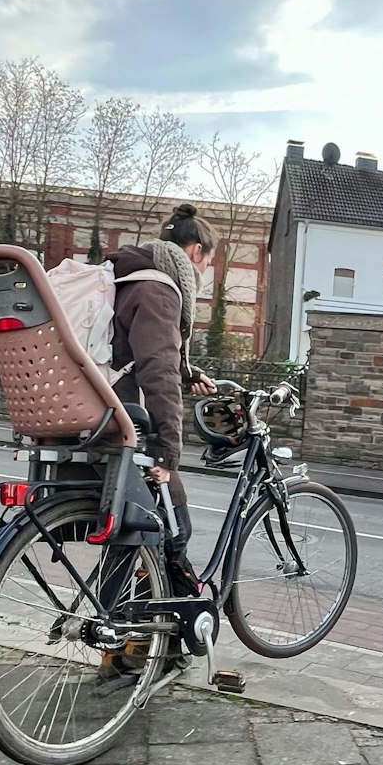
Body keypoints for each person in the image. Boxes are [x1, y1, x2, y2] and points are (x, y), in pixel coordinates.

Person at [100, 204, 217, 677]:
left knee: (130, 534)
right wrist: (169, 451)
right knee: (171, 528)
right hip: (126, 429)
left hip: (93, 418)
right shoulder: (159, 289)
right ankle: (140, 649)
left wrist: (189, 372)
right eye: (207, 263)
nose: (205, 273)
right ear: (194, 252)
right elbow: (157, 373)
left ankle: (125, 652)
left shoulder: (122, 277)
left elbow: (127, 347)